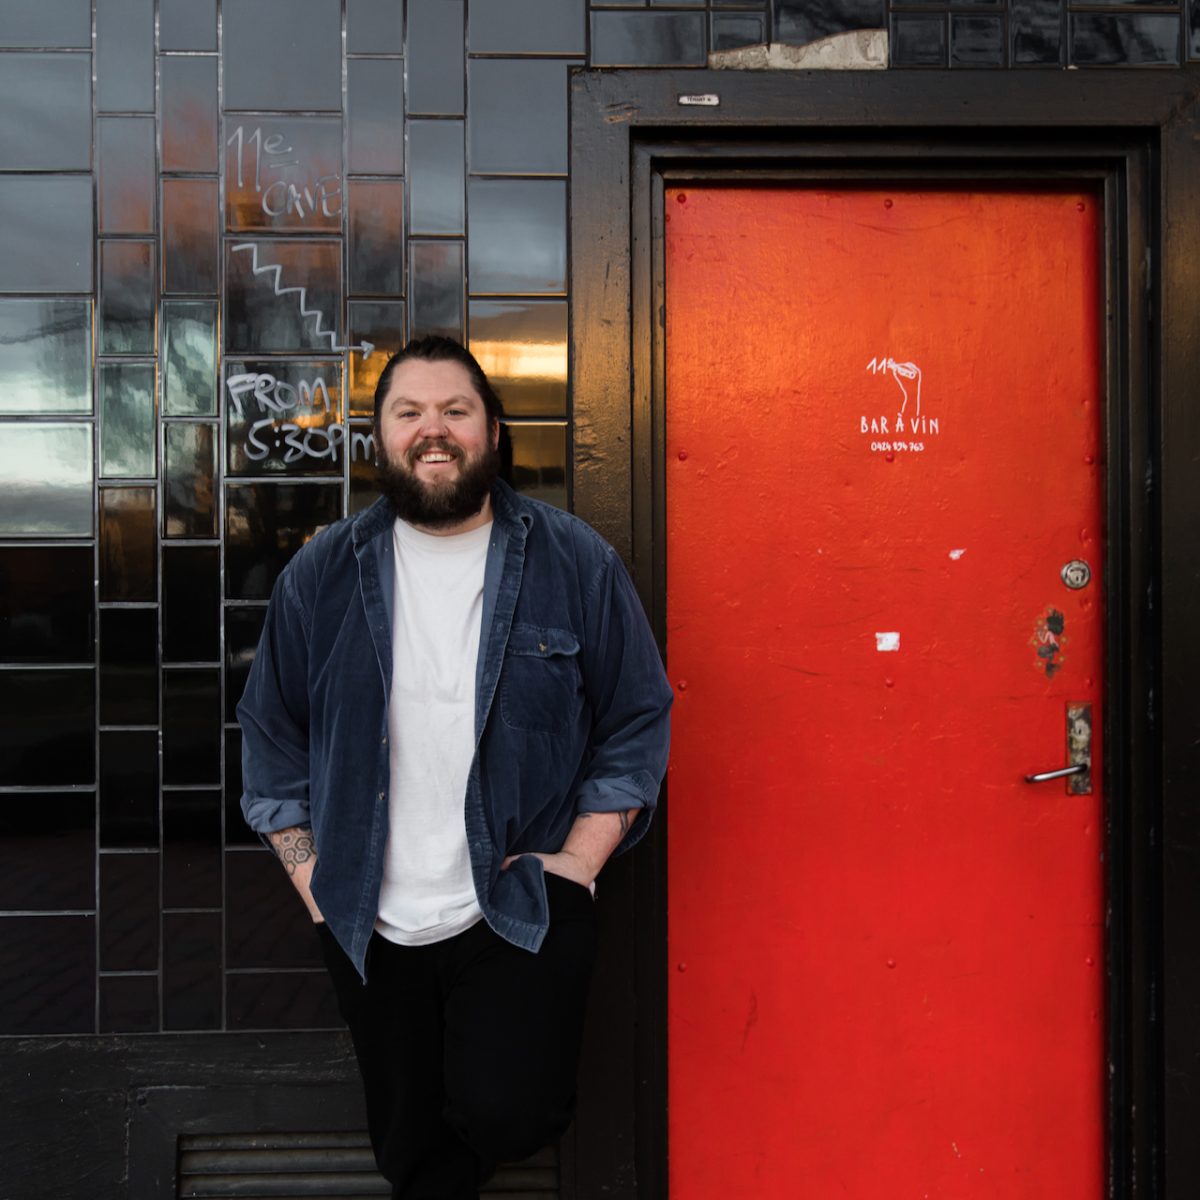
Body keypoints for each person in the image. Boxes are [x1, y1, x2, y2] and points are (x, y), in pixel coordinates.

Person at [238, 336, 673, 1199]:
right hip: (367, 912)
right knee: (413, 1153)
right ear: (380, 438)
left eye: (455, 411)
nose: (433, 430)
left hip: (519, 900)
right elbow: (268, 734)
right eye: (409, 413)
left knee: (513, 1112)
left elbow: (636, 717)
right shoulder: (322, 573)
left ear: (494, 432)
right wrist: (312, 879)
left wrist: (580, 864)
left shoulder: (573, 559)